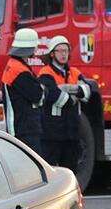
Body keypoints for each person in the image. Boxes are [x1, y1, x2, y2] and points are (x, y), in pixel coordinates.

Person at [37, 36, 92, 172]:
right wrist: (73, 97)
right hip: (52, 133)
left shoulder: (74, 72)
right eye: (59, 51)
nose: (63, 54)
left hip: (72, 133)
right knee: (50, 171)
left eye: (66, 51)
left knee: (70, 172)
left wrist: (68, 88)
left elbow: (87, 91)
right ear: (52, 53)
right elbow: (55, 96)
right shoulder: (46, 73)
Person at [2, 28, 45, 154]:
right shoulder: (20, 71)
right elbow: (38, 95)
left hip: (19, 125)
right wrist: (42, 89)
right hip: (25, 128)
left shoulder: (14, 65)